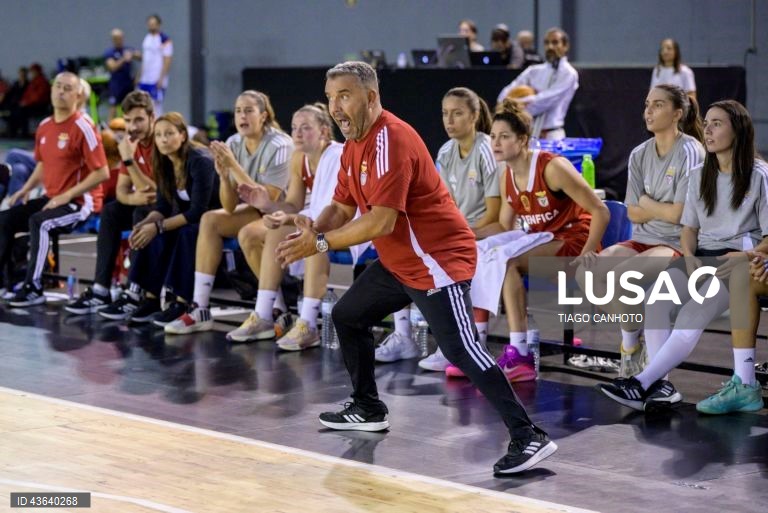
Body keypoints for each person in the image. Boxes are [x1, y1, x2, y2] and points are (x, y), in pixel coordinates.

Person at [275, 61, 557, 474]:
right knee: (348, 315)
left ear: (370, 98)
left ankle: (529, 436)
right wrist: (314, 227)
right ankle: (368, 407)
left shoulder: (391, 139)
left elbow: (381, 221)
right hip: (401, 260)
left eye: (344, 95)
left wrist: (318, 242)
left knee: (462, 350)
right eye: (331, 96)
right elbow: (341, 206)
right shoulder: (355, 143)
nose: (335, 106)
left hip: (437, 260)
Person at [598, 100, 768, 413]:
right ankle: (659, 384)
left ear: (739, 130)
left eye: (718, 123)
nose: (709, 129)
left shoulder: (759, 175)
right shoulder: (700, 173)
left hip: (736, 260)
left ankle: (641, 382)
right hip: (699, 256)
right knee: (656, 301)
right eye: (708, 123)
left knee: (692, 314)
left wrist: (747, 257)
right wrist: (688, 259)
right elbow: (689, 229)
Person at [165, 104, 343, 349]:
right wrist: (271, 207)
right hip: (308, 218)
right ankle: (262, 313)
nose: (298, 133)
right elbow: (292, 204)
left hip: (339, 222)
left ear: (324, 132)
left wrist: (282, 214)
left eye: (305, 128)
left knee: (310, 236)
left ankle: (308, 323)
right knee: (255, 228)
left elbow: (329, 212)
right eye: (294, 128)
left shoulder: (333, 155)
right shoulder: (297, 157)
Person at [470, 100, 609, 382]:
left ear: (522, 140)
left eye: (504, 136)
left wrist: (587, 252)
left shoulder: (551, 167)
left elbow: (600, 211)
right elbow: (503, 226)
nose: (495, 142)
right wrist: (465, 234)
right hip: (547, 240)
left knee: (507, 263)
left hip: (575, 239)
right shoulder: (507, 174)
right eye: (493, 136)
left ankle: (519, 353)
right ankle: (480, 346)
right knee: (486, 256)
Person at [576, 84, 705, 377]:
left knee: (623, 277)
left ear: (677, 114)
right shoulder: (638, 154)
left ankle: (633, 347)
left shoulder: (691, 149)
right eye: (647, 104)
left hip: (676, 242)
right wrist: (658, 207)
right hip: (642, 238)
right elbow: (633, 212)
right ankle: (634, 341)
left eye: (658, 105)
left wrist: (649, 202)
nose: (648, 111)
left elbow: (680, 214)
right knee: (588, 272)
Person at [375, 87, 501, 371]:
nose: (449, 120)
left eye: (457, 113)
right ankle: (404, 335)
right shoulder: (445, 151)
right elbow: (443, 203)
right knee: (403, 252)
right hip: (455, 229)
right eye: (445, 113)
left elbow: (494, 214)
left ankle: (461, 344)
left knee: (448, 259)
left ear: (474, 115)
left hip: (485, 231)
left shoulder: (486, 150)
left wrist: (458, 233)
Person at [154, 90, 292, 337]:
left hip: (286, 212)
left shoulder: (279, 144)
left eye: (249, 110)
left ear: (264, 116)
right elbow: (229, 206)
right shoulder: (233, 143)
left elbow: (267, 200)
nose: (242, 115)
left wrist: (233, 166)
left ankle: (278, 310)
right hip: (258, 210)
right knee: (210, 219)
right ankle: (200, 309)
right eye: (238, 110)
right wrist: (223, 176)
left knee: (248, 235)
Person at [99, 112, 219, 324]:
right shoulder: (163, 161)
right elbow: (163, 207)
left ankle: (181, 302)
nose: (163, 139)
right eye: (159, 135)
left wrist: (158, 226)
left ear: (183, 136)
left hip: (215, 218)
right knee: (148, 229)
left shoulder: (200, 160)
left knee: (183, 233)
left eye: (169, 134)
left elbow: (197, 211)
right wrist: (145, 225)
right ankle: (150, 298)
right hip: (191, 217)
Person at [0, 72, 108, 306]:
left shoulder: (84, 126)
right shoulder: (45, 126)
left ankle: (33, 287)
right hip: (52, 197)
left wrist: (68, 194)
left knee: (40, 222)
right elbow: (42, 163)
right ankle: (5, 282)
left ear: (78, 95)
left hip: (80, 203)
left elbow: (103, 173)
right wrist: (26, 189)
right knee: (5, 219)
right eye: (57, 86)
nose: (61, 91)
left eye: (67, 88)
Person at [66, 91, 156, 314]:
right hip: (146, 205)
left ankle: (135, 293)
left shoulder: (160, 141)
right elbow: (122, 192)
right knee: (111, 211)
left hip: (172, 209)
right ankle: (101, 290)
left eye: (139, 120)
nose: (132, 127)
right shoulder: (131, 143)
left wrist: (128, 159)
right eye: (128, 121)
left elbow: (152, 192)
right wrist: (134, 198)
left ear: (152, 118)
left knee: (140, 213)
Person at [497, 28, 578, 141]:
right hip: (529, 134)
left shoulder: (569, 73)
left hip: (552, 135)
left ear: (565, 46)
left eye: (555, 42)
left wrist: (516, 104)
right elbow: (504, 94)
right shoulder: (533, 71)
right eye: (547, 43)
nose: (550, 47)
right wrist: (507, 102)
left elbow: (546, 100)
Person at [136, 14, 173, 115]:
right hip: (145, 78)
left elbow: (167, 59)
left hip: (156, 78)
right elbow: (145, 59)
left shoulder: (164, 39)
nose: (151, 26)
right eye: (149, 24)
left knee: (155, 106)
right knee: (142, 104)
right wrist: (139, 75)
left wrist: (161, 77)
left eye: (154, 24)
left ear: (159, 25)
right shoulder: (146, 38)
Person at [7, 63, 50, 138]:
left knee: (21, 111)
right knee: (14, 110)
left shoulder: (41, 82)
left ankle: (23, 133)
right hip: (30, 105)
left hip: (39, 106)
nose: (31, 73)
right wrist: (23, 102)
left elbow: (38, 97)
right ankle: (13, 132)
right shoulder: (33, 82)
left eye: (32, 71)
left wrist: (26, 103)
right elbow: (27, 95)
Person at [104, 28, 136, 120]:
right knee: (113, 106)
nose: (119, 40)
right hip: (116, 84)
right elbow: (112, 66)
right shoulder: (110, 52)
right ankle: (110, 128)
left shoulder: (127, 49)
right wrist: (123, 59)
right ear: (113, 39)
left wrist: (133, 54)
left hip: (128, 84)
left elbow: (140, 56)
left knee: (129, 107)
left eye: (121, 38)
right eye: (117, 38)